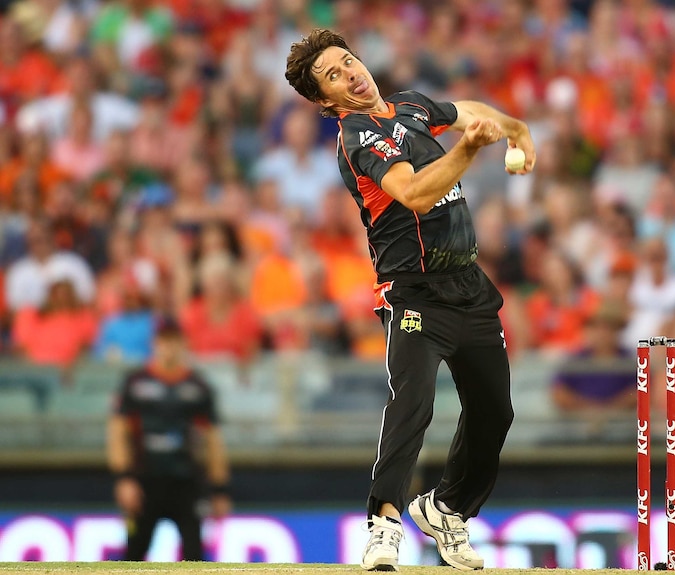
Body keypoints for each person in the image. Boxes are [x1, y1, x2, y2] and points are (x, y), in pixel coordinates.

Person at [284, 28, 535, 571]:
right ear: (325, 100)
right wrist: (469, 149)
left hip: (467, 288)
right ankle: (383, 526)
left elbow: (462, 109)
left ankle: (446, 510)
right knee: (411, 405)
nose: (350, 73)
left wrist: (514, 130)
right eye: (333, 74)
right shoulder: (357, 137)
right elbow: (416, 194)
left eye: (348, 60)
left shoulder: (410, 106)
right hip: (413, 292)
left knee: (495, 413)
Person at [106, 318, 231, 561]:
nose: (169, 347)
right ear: (155, 343)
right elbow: (118, 433)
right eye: (164, 341)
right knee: (134, 552)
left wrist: (219, 489)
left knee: (194, 555)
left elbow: (213, 440)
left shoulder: (198, 387)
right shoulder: (135, 383)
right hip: (145, 481)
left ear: (184, 343)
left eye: (174, 341)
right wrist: (124, 478)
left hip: (187, 483)